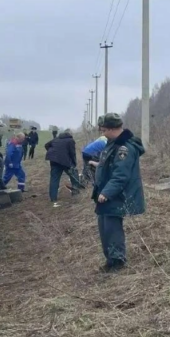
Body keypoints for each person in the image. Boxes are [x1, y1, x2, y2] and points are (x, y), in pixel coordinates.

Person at [92, 113, 146, 272]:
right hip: (106, 194)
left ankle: (117, 261)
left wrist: (107, 192)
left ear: (111, 129)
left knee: (112, 229)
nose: (102, 133)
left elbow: (121, 175)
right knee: (104, 228)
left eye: (103, 130)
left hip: (117, 196)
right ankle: (110, 260)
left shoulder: (125, 148)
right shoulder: (112, 143)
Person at [44, 128, 83, 207]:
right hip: (64, 161)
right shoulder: (70, 140)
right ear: (70, 134)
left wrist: (53, 151)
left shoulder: (56, 139)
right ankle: (75, 192)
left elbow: (46, 145)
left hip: (54, 160)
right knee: (74, 174)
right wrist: (74, 163)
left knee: (54, 178)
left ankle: (53, 198)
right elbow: (72, 153)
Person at [81, 119, 108, 184]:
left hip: (85, 151)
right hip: (90, 153)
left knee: (87, 166)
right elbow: (104, 155)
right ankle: (95, 181)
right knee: (98, 166)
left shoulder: (101, 138)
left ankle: (85, 177)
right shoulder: (107, 142)